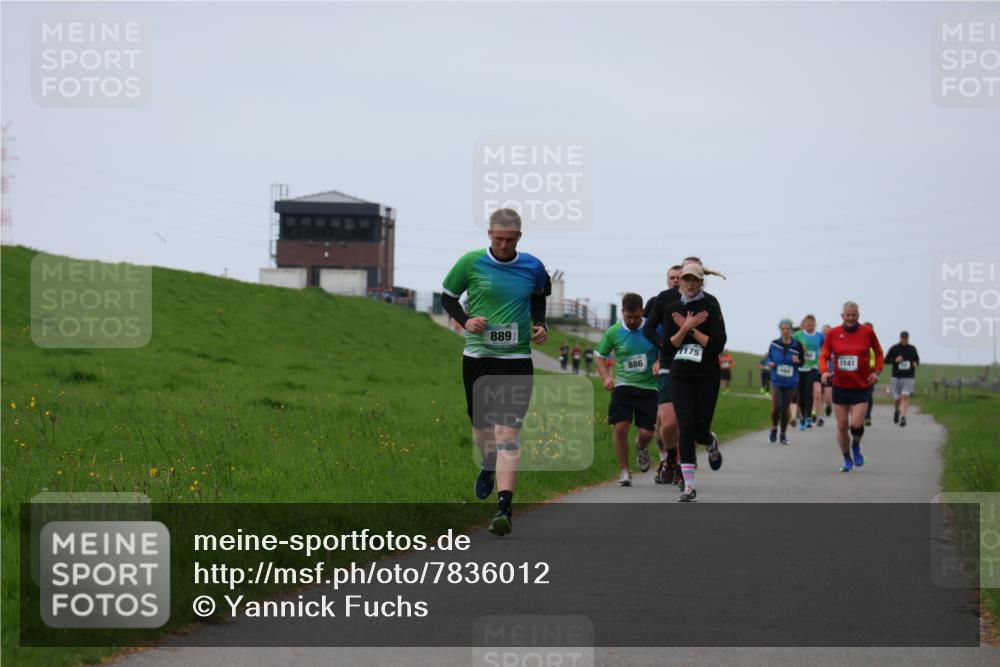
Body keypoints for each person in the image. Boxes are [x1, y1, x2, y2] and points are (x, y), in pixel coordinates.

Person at [440, 208, 551, 535]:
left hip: (516, 360)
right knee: (482, 430)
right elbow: (447, 298)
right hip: (478, 357)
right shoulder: (471, 262)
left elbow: (539, 297)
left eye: (510, 239)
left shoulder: (533, 266)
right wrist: (465, 321)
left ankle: (504, 508)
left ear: (519, 237)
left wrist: (540, 324)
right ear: (489, 234)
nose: (503, 245)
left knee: (508, 433)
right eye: (498, 238)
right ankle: (487, 465)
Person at [644, 259, 725, 489]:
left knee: (698, 430)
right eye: (685, 279)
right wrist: (680, 331)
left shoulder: (710, 304)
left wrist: (693, 330)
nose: (689, 283)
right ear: (680, 280)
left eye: (694, 280)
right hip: (676, 369)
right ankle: (685, 480)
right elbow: (663, 341)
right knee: (681, 426)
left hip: (706, 371)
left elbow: (718, 343)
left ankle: (709, 441)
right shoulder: (669, 305)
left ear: (701, 282)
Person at [594, 293, 659, 486]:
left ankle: (641, 446)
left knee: (647, 433)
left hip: (649, 387)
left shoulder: (653, 328)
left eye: (636, 317)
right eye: (628, 317)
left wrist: (659, 361)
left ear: (642, 313)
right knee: (621, 428)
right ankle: (624, 471)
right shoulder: (614, 331)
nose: (632, 321)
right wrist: (606, 377)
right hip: (623, 385)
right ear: (622, 312)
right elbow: (599, 356)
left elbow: (666, 347)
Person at [819, 302, 884, 473]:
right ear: (842, 316)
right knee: (841, 426)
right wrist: (825, 371)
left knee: (855, 425)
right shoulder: (833, 333)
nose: (851, 318)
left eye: (854, 315)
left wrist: (877, 371)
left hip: (861, 385)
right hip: (840, 385)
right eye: (848, 315)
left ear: (858, 315)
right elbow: (824, 355)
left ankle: (856, 445)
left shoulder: (867, 332)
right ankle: (847, 457)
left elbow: (878, 352)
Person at [644, 264, 683, 485]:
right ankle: (666, 459)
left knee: (678, 421)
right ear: (667, 280)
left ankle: (677, 462)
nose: (676, 281)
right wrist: (661, 349)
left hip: (684, 365)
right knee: (661, 423)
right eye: (672, 277)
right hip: (660, 364)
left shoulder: (697, 302)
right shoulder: (659, 300)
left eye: (679, 277)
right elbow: (646, 329)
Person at [767, 319, 804, 445]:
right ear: (780, 330)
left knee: (784, 408)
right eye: (783, 328)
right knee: (777, 407)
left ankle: (783, 434)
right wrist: (770, 364)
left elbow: (802, 362)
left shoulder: (797, 345)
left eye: (788, 328)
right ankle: (773, 428)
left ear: (791, 330)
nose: (786, 330)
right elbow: (769, 359)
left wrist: (797, 361)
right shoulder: (774, 344)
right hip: (777, 380)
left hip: (791, 382)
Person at [793, 314, 825, 429]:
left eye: (812, 324)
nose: (809, 326)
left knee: (809, 391)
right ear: (804, 324)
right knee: (800, 393)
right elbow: (792, 347)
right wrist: (798, 351)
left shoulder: (820, 336)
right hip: (801, 367)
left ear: (815, 324)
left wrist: (822, 358)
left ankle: (808, 417)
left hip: (813, 367)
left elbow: (824, 348)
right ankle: (801, 415)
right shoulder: (798, 335)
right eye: (807, 324)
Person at [884, 331, 919, 427]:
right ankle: (896, 411)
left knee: (905, 397)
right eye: (903, 338)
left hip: (909, 377)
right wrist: (895, 360)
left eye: (906, 338)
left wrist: (915, 363)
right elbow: (885, 360)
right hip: (896, 377)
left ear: (908, 338)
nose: (904, 339)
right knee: (897, 398)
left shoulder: (912, 349)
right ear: (900, 338)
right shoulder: (894, 348)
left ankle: (903, 417)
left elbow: (917, 360)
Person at [820, 324, 834, 417]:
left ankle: (828, 405)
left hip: (829, 372)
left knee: (828, 397)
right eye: (824, 331)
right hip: (817, 371)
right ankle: (817, 413)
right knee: (817, 393)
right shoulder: (818, 343)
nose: (825, 332)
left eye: (827, 331)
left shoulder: (834, 343)